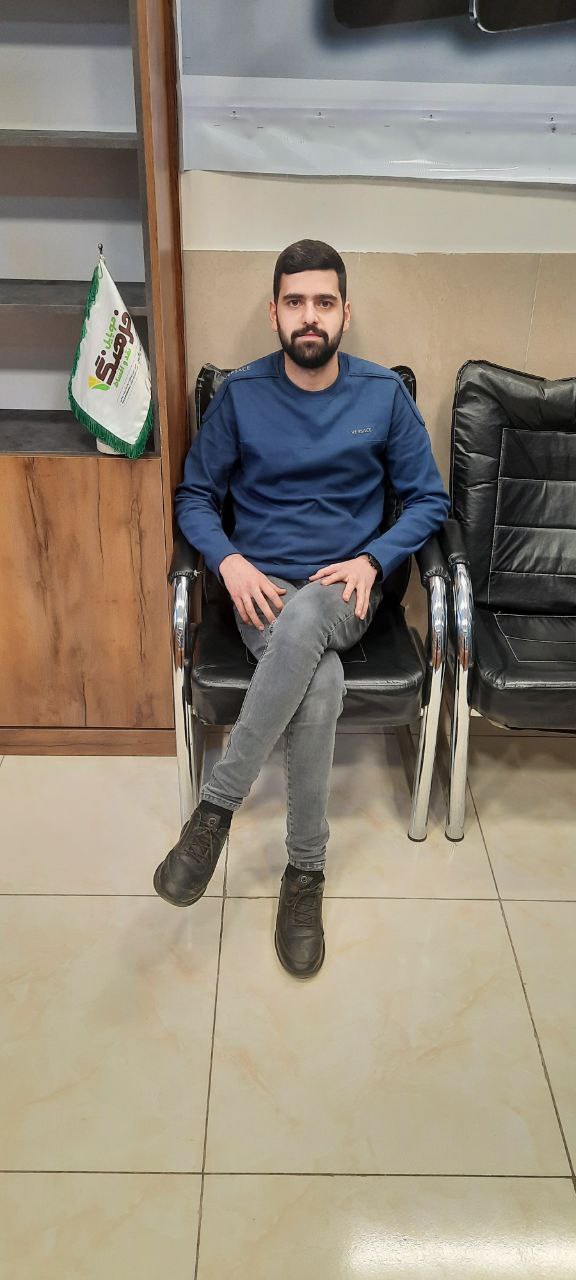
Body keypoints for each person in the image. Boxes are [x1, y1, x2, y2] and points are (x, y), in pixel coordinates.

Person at [154, 239, 449, 978]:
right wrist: (228, 561)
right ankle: (305, 872)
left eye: (323, 302)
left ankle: (215, 811)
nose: (309, 316)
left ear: (346, 312)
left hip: (346, 591)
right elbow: (194, 496)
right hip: (261, 590)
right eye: (295, 302)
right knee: (318, 682)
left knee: (314, 614)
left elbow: (429, 500)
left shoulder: (382, 395)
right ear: (274, 312)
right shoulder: (241, 396)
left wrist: (374, 558)